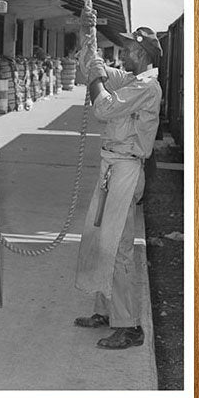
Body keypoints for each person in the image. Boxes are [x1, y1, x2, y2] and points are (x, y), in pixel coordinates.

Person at [73, 23, 162, 351]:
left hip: (125, 169)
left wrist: (96, 77)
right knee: (102, 239)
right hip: (113, 166)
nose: (123, 54)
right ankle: (106, 311)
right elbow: (93, 72)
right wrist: (87, 39)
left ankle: (129, 326)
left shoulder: (147, 87)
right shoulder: (132, 80)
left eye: (128, 50)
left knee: (120, 248)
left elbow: (103, 107)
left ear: (142, 54)